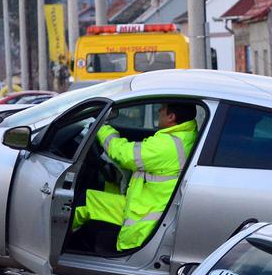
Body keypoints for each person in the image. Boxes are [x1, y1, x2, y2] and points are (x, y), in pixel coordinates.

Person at [70, 102, 199, 252]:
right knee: (94, 195)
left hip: (145, 218)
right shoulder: (186, 136)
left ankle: (60, 244)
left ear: (171, 116)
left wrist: (100, 127)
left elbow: (122, 154)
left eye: (162, 109)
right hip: (150, 205)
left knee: (83, 201)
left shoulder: (167, 145)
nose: (159, 110)